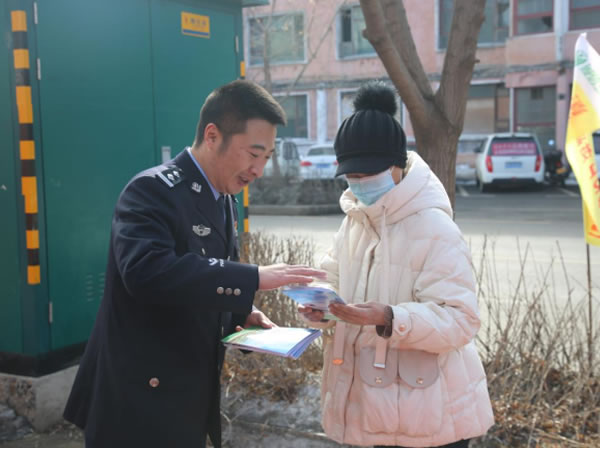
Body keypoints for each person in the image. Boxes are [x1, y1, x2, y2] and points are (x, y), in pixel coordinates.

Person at [64, 80, 325, 447]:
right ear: (212, 135)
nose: (258, 170)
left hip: (187, 398)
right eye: (253, 154)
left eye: (266, 157)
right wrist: (252, 277)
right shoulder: (151, 190)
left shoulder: (224, 200)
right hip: (136, 403)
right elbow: (146, 273)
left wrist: (240, 316)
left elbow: (199, 283)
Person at [299, 83, 494, 448]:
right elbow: (333, 279)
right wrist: (320, 306)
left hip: (428, 418)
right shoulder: (355, 220)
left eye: (366, 174)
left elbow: (461, 320)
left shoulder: (434, 227)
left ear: (396, 166)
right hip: (371, 409)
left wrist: (390, 318)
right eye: (351, 176)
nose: (358, 184)